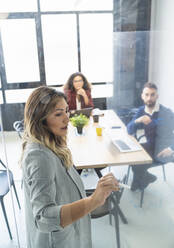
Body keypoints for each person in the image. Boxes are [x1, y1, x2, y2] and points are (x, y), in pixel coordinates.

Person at [21, 86, 118, 248]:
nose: (67, 118)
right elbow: (44, 218)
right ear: (40, 119)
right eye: (58, 114)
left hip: (70, 235)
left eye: (66, 111)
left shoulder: (54, 145)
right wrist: (93, 200)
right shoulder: (38, 156)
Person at [127, 82, 174, 191]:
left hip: (164, 149)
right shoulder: (141, 111)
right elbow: (129, 129)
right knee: (132, 155)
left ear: (157, 96)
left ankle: (141, 180)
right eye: (146, 95)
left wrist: (171, 148)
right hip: (151, 145)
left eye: (152, 95)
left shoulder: (166, 112)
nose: (149, 98)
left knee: (139, 163)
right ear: (142, 96)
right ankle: (145, 178)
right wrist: (138, 120)